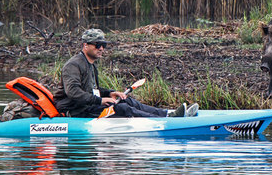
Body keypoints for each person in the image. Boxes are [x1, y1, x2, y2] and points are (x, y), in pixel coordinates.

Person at [54, 29, 198, 118]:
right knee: (121, 108)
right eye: (98, 45)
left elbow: (92, 90)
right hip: (76, 110)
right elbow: (73, 92)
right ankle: (165, 120)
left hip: (87, 105)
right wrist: (100, 101)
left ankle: (168, 114)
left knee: (127, 101)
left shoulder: (90, 64)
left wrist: (110, 93)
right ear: (85, 45)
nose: (102, 49)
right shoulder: (73, 65)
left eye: (104, 45)